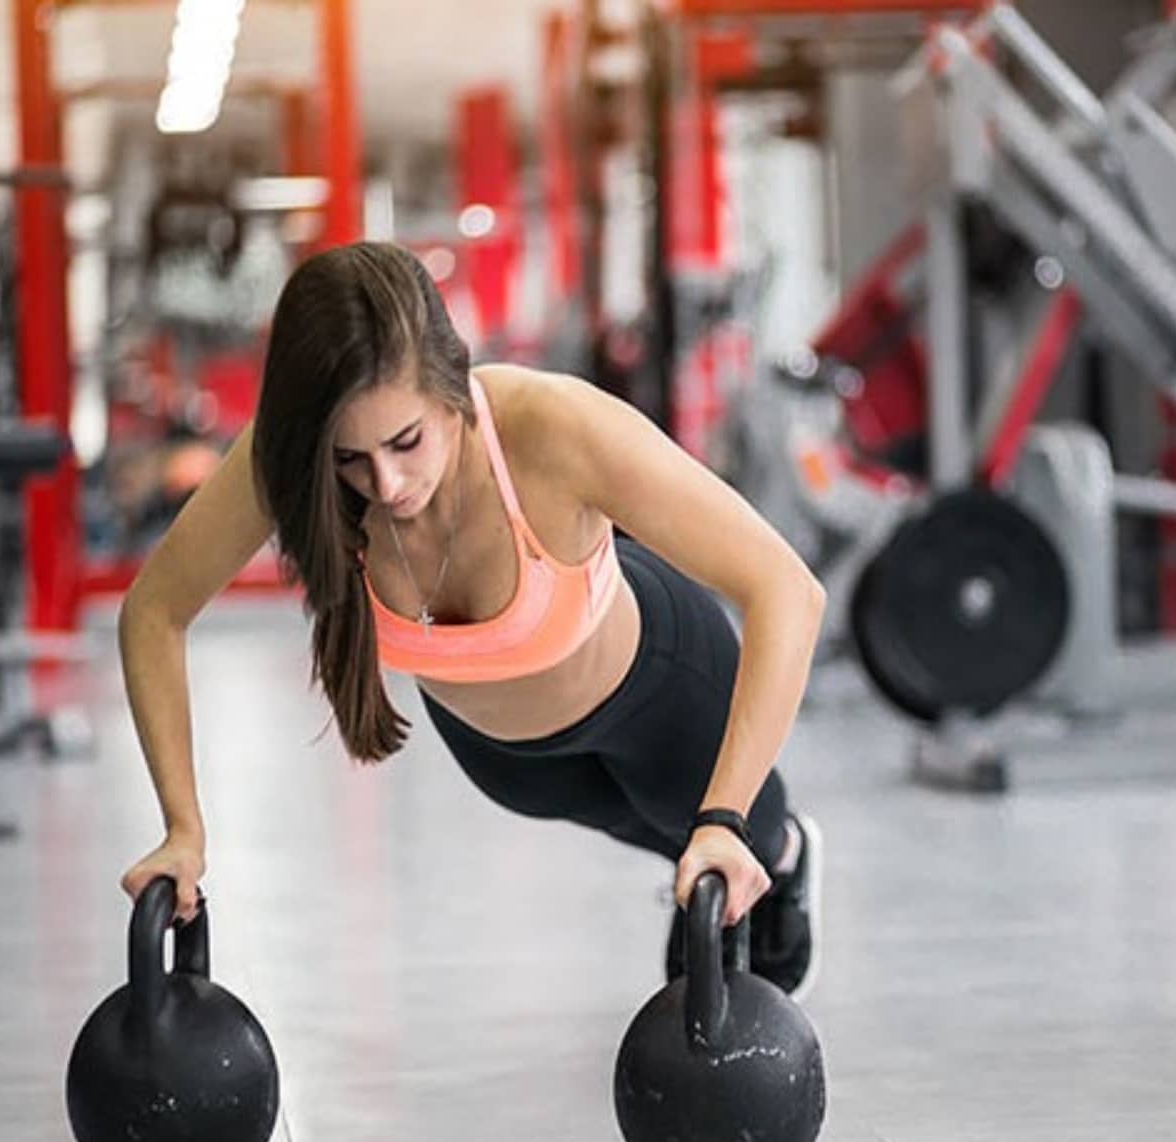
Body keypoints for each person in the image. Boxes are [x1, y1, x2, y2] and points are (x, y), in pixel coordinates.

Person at [117, 242, 826, 998]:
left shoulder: (552, 427)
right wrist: (181, 831)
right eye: (350, 459)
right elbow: (154, 611)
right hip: (509, 764)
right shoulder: (290, 458)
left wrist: (723, 818)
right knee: (666, 837)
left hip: (659, 696)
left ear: (452, 390)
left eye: (406, 441)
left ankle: (782, 854)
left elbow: (788, 589)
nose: (385, 485)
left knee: (691, 819)